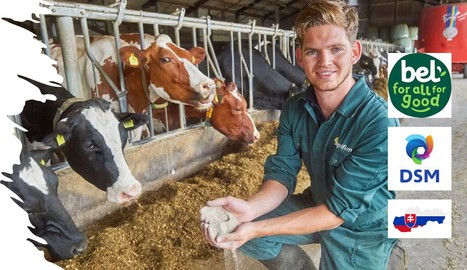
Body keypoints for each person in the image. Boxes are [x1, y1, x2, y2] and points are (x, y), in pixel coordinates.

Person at [200, 0, 402, 269]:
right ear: (299, 57)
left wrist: (259, 228)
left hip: (363, 225)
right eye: (312, 52)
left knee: (255, 230)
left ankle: (392, 253)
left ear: (355, 52)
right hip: (318, 201)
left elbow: (335, 212)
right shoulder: (295, 107)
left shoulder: (378, 122)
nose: (324, 62)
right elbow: (282, 173)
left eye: (336, 49)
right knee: (240, 227)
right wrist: (251, 210)